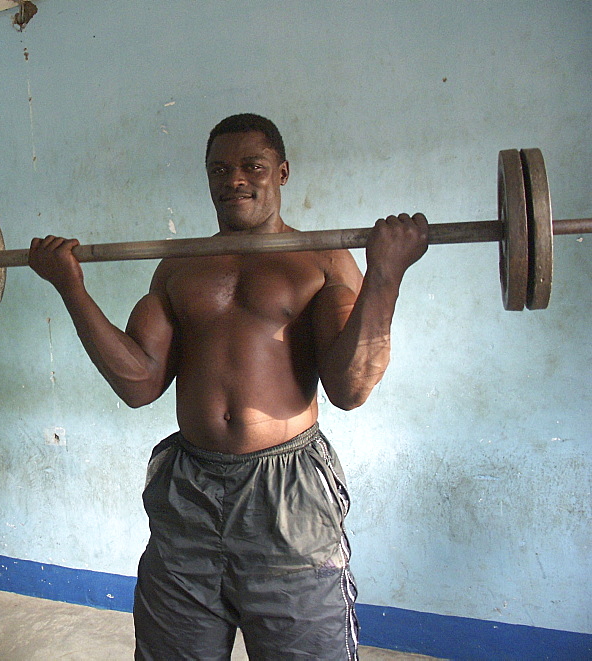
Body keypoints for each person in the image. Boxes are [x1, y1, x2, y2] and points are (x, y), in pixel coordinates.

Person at [28, 114, 428, 660]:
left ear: (281, 173)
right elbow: (139, 382)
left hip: (287, 493)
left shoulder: (323, 258)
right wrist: (71, 287)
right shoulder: (178, 267)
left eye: (252, 166)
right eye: (219, 168)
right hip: (188, 492)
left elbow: (350, 387)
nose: (234, 179)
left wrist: (387, 274)